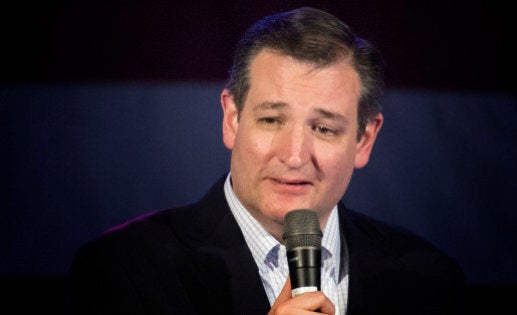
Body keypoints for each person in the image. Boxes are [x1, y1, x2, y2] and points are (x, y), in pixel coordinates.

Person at [65, 6, 465, 315]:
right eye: (272, 120)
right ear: (232, 119)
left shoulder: (429, 280)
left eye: (324, 129)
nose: (293, 156)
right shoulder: (123, 272)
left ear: (364, 139)